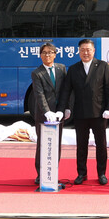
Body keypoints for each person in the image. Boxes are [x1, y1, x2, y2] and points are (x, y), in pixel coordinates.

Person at [59, 38, 109, 185]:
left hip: (99, 113)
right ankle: (81, 173)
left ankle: (101, 173)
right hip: (80, 114)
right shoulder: (73, 69)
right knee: (81, 146)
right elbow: (66, 91)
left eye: (88, 49)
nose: (85, 52)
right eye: (82, 49)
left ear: (94, 50)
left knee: (101, 145)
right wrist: (65, 108)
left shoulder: (103, 66)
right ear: (78, 51)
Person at [31, 42, 68, 185]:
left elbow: (65, 91)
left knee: (56, 144)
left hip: (59, 115)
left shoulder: (61, 69)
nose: (47, 55)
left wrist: (64, 109)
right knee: (42, 144)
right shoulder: (37, 73)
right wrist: (47, 112)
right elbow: (39, 95)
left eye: (50, 52)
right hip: (43, 116)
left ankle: (53, 172)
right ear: (40, 55)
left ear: (55, 54)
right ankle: (40, 174)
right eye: (44, 52)